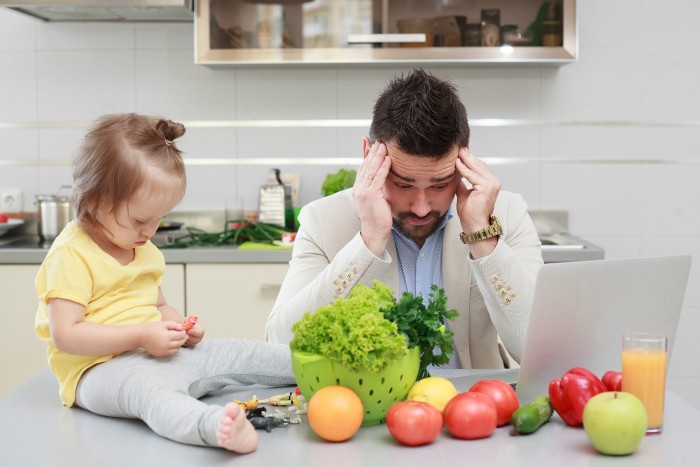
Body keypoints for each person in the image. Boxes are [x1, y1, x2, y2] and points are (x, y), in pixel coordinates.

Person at [35, 113, 294, 454]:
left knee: (237, 351)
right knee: (153, 397)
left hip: (155, 353)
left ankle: (321, 364)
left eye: (161, 218)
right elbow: (66, 335)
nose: (151, 230)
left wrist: (177, 326)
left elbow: (157, 307)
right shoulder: (71, 255)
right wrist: (141, 335)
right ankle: (213, 427)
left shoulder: (142, 248)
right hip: (99, 371)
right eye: (142, 219)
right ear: (97, 199)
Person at [265, 69, 543, 369]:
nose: (422, 208)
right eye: (403, 184)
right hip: (370, 412)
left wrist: (482, 237)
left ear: (464, 159)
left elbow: (537, 349)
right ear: (369, 155)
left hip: (476, 408)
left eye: (439, 184)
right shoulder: (324, 221)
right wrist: (368, 242)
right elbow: (281, 345)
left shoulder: (505, 214)